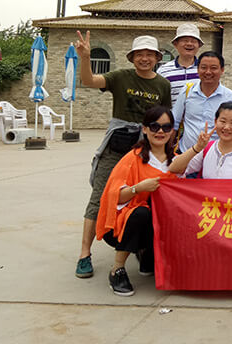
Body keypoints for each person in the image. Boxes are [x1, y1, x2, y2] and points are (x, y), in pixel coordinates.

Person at [73, 31, 171, 280]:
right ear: (132, 57)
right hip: (117, 146)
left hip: (145, 147)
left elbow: (164, 118)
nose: (145, 58)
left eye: (150, 54)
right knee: (100, 197)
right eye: (140, 54)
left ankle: (141, 247)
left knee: (146, 199)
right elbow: (88, 80)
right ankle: (84, 254)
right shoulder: (120, 77)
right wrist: (85, 57)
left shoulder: (162, 84)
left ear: (157, 58)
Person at [95, 105, 177, 296]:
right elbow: (114, 196)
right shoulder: (132, 159)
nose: (160, 132)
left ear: (172, 131)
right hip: (124, 225)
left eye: (166, 127)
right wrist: (138, 188)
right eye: (155, 126)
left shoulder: (176, 161)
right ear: (145, 129)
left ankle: (147, 254)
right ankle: (117, 269)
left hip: (159, 224)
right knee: (141, 213)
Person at [168, 102, 232, 179]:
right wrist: (197, 148)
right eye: (223, 121)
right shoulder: (207, 148)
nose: (227, 127)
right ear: (215, 121)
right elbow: (174, 168)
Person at [172, 51, 232, 153]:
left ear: (222, 70)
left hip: (216, 156)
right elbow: (174, 123)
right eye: (203, 67)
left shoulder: (231, 98)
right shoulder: (187, 91)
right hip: (186, 154)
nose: (208, 72)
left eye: (213, 68)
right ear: (198, 69)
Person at [158, 23, 202, 105]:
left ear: (199, 45)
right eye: (185, 40)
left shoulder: (205, 70)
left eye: (193, 41)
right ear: (176, 44)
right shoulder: (163, 71)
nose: (189, 44)